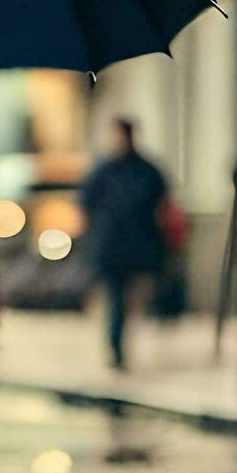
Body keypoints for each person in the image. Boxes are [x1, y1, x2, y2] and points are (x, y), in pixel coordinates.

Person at [81, 118, 168, 370]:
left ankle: (123, 346)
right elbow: (86, 205)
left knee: (133, 301)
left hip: (137, 246)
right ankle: (117, 349)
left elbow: (160, 204)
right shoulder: (103, 171)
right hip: (111, 247)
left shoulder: (146, 171)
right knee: (117, 300)